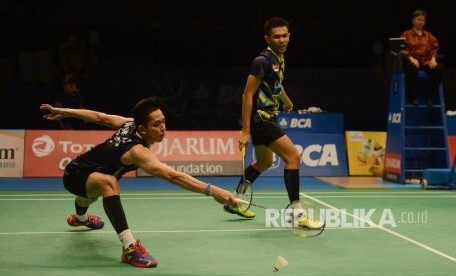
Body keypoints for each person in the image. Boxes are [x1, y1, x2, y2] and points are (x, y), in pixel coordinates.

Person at [40, 97, 239, 268]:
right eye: (157, 125)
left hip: (89, 173)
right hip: (74, 174)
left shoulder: (130, 123)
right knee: (108, 183)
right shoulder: (137, 150)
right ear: (142, 129)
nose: (163, 128)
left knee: (91, 194)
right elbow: (173, 176)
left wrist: (65, 112)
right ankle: (129, 247)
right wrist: (213, 191)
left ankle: (79, 219)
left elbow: (99, 117)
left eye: (163, 122)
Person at [222, 17, 323, 230]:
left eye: (285, 36)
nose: (282, 40)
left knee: (264, 162)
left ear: (289, 36)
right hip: (262, 118)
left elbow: (276, 84)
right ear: (267, 38)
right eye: (277, 37)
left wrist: (286, 101)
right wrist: (245, 131)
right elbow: (247, 95)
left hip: (269, 116)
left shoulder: (280, 58)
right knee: (293, 156)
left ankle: (236, 201)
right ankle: (297, 212)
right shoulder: (262, 60)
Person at [400, 9, 444, 106]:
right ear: (413, 21)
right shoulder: (406, 34)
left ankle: (429, 97)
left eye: (422, 20)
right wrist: (411, 59)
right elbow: (402, 50)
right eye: (418, 19)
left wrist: (433, 59)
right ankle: (412, 98)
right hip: (410, 61)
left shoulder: (428, 36)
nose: (420, 22)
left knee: (439, 69)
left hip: (425, 62)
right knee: (412, 69)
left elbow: (434, 48)